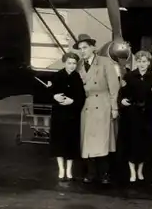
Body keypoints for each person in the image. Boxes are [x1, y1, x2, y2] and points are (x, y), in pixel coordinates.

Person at [75, 33, 120, 184]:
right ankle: (91, 173)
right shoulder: (79, 65)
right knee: (88, 141)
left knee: (103, 141)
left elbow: (114, 86)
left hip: (103, 104)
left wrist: (114, 108)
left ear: (93, 48)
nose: (82, 51)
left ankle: (105, 174)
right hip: (87, 106)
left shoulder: (105, 62)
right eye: (80, 48)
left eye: (85, 47)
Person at [117, 50, 152, 184]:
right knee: (131, 142)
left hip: (147, 114)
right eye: (140, 61)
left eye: (145, 61)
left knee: (144, 143)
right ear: (136, 62)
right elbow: (121, 93)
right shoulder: (129, 76)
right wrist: (121, 101)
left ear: (149, 62)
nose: (142, 64)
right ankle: (132, 171)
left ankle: (140, 170)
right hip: (132, 114)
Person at [49, 52, 86, 181]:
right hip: (59, 115)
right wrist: (55, 97)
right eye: (69, 63)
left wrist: (73, 102)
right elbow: (50, 93)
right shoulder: (57, 76)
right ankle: (61, 169)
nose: (71, 66)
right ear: (65, 63)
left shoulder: (77, 78)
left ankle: (69, 169)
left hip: (72, 115)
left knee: (71, 143)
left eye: (74, 63)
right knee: (59, 142)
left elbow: (81, 97)